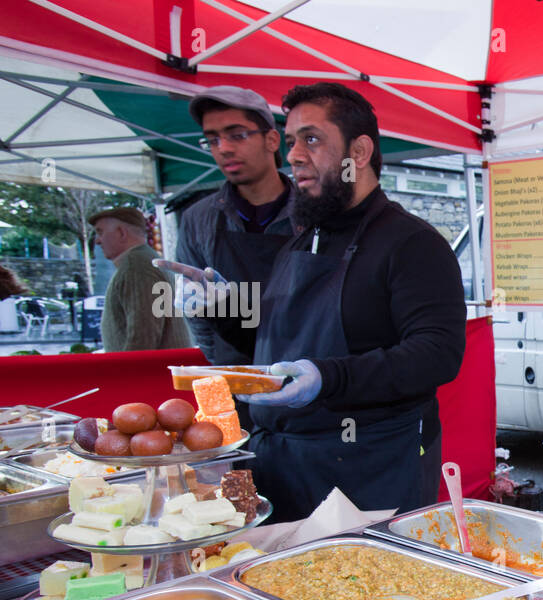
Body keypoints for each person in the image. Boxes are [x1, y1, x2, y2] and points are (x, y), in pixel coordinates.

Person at [198, 82, 466, 522]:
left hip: (366, 474)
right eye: (290, 142)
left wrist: (328, 377)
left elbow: (437, 354)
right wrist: (223, 309)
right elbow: (275, 343)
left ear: (358, 153)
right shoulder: (302, 241)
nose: (294, 156)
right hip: (280, 469)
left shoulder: (412, 243)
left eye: (312, 139)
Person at [173, 86, 298, 367]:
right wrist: (222, 364)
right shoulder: (198, 219)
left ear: (272, 139)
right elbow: (197, 312)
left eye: (237, 135)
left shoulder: (313, 212)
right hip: (236, 375)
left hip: (310, 375)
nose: (224, 148)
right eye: (213, 139)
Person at [90, 208, 193, 352]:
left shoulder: (137, 266)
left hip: (152, 371)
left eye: (100, 232)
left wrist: (128, 372)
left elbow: (143, 334)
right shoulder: (144, 260)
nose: (97, 241)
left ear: (121, 233)